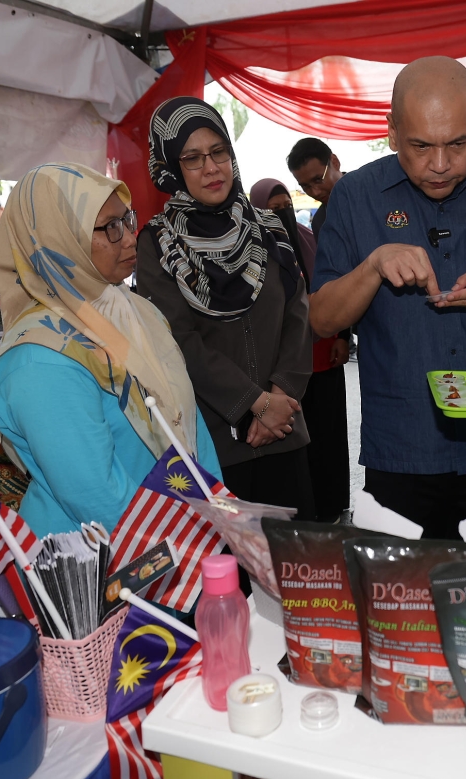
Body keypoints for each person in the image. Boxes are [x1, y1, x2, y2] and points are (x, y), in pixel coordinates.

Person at [309, 56, 466, 539]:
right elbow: (321, 319)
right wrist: (373, 266)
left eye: (457, 144)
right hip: (401, 443)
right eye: (420, 146)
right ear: (392, 131)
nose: (440, 165)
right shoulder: (356, 196)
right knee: (403, 585)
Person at [0, 162, 222, 538]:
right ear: (60, 237)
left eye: (127, 219)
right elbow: (95, 494)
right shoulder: (41, 357)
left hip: (180, 532)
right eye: (110, 227)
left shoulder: (137, 311)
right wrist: (185, 543)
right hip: (103, 555)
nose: (129, 238)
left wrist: (215, 512)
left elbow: (186, 421)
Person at [138, 98, 315, 518]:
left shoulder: (268, 227)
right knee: (230, 559)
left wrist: (279, 397)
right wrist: (254, 403)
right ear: (171, 166)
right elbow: (177, 339)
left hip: (285, 429)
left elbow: (298, 314)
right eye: (192, 158)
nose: (211, 168)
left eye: (218, 152)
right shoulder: (158, 243)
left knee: (298, 555)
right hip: (217, 442)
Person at [250, 178, 351, 522]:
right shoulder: (253, 249)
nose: (282, 213)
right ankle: (307, 512)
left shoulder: (308, 237)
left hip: (324, 354)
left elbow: (335, 287)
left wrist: (342, 335)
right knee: (300, 440)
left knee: (330, 434)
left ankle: (334, 503)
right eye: (273, 209)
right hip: (287, 365)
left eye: (286, 206)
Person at [287, 138, 344, 240]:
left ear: (335, 162)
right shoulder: (320, 223)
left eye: (318, 180)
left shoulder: (370, 193)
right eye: (305, 186)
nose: (315, 192)